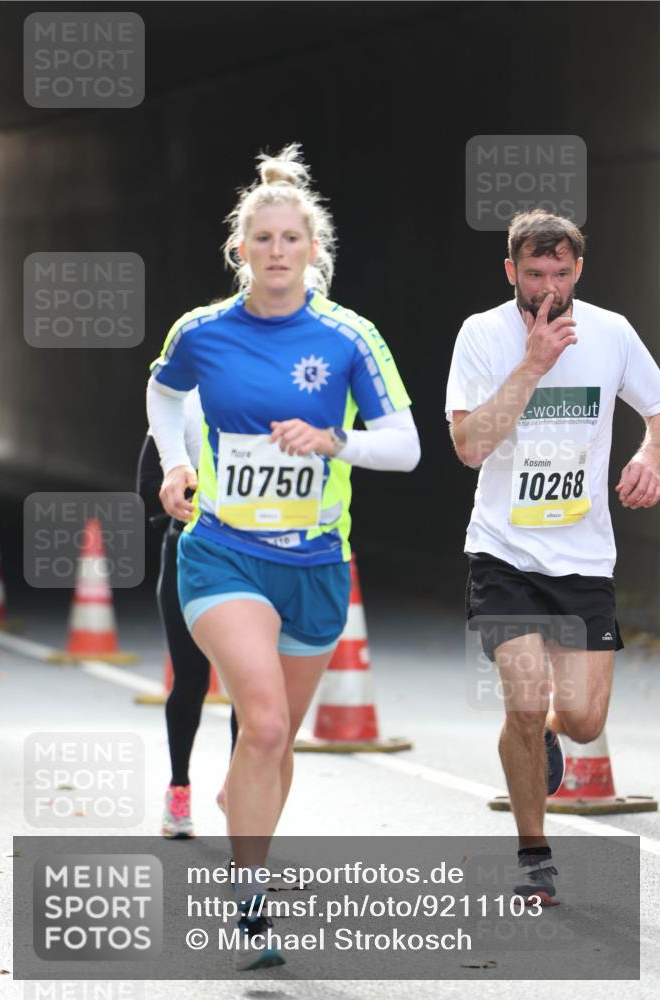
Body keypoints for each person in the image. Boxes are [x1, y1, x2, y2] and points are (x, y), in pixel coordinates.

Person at [147, 143, 420, 968]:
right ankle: (251, 908)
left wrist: (334, 441)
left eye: (289, 239)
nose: (274, 251)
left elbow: (404, 448)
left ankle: (246, 823)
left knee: (271, 743)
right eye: (260, 239)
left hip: (316, 567)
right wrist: (176, 463)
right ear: (240, 250)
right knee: (260, 717)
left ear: (312, 249)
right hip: (223, 553)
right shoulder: (202, 331)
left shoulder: (348, 336)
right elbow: (162, 391)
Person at [446, 209, 660, 904]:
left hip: (583, 558)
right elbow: (470, 445)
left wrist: (648, 449)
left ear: (577, 270)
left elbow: (656, 407)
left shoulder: (611, 333)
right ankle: (534, 856)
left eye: (559, 273)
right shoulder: (482, 335)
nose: (546, 288)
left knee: (582, 718)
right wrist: (533, 364)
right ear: (510, 271)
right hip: (503, 552)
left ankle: (543, 735)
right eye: (532, 274)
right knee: (522, 698)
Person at [136, 387, 239, 838]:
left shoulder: (276, 395)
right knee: (191, 678)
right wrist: (187, 497)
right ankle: (178, 789)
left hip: (251, 556)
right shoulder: (183, 401)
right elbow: (146, 487)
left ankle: (241, 788)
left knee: (249, 684)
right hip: (189, 551)